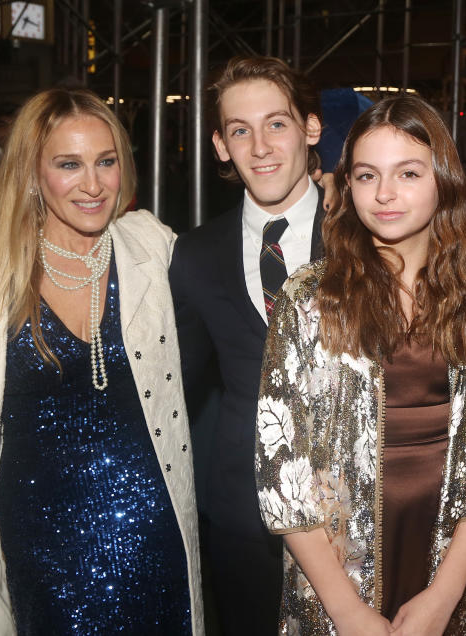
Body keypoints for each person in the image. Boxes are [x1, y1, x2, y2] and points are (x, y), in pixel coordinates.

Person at [0, 87, 202, 634]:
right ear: (30, 173)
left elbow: (230, 277)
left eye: (106, 162)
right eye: (69, 165)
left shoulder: (150, 248)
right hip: (39, 549)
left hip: (155, 536)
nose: (93, 185)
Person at [254, 95, 466, 635]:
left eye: (408, 173)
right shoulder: (309, 299)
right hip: (335, 572)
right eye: (368, 175)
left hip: (448, 553)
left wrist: (445, 596)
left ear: (441, 178)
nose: (385, 194)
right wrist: (348, 614)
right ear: (348, 186)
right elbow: (283, 476)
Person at [167, 55, 326, 635]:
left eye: (277, 124)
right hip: (242, 515)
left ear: (310, 128)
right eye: (240, 130)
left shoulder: (370, 233)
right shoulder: (195, 255)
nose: (260, 146)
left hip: (357, 509)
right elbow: (175, 383)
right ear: (220, 145)